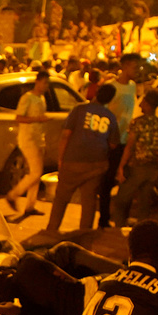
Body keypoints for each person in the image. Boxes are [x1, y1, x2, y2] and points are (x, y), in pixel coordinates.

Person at [47, 83, 119, 232]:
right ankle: (84, 233)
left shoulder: (79, 110)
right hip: (97, 163)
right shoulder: (110, 116)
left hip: (74, 160)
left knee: (61, 197)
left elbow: (66, 135)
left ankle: (52, 230)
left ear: (96, 92)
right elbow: (113, 144)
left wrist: (61, 159)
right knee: (89, 200)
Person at [111, 89, 158, 227]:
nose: (140, 104)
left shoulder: (138, 123)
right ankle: (142, 230)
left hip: (137, 168)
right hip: (152, 169)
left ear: (148, 104)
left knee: (121, 200)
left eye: (143, 102)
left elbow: (130, 147)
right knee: (144, 204)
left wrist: (121, 166)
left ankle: (118, 229)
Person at [97, 53, 141, 228]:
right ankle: (104, 219)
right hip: (111, 142)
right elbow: (101, 112)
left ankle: (121, 217)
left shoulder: (133, 87)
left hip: (126, 141)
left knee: (126, 180)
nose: (137, 70)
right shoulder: (111, 87)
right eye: (135, 67)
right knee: (107, 182)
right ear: (125, 66)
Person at [4, 70, 53, 216]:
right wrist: (38, 119)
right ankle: (13, 195)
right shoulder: (27, 98)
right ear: (37, 82)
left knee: (35, 173)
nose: (46, 86)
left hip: (38, 139)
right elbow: (19, 117)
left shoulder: (41, 98)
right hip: (28, 139)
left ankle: (30, 206)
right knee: (36, 172)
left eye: (47, 83)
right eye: (44, 83)